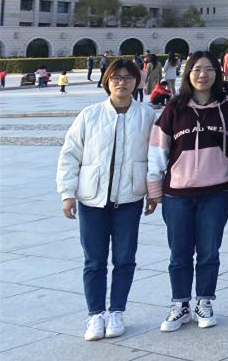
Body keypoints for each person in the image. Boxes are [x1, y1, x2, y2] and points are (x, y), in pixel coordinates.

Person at [57, 59, 157, 341]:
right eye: (116, 77)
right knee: (94, 260)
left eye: (128, 77)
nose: (122, 82)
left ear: (137, 82)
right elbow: (70, 154)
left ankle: (116, 312)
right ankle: (95, 314)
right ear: (107, 82)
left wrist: (153, 190)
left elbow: (155, 156)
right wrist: (67, 194)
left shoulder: (147, 115)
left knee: (125, 258)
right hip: (92, 200)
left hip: (129, 199)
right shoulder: (90, 115)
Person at [147, 51, 228, 332]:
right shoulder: (174, 108)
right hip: (178, 194)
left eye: (209, 69)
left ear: (217, 74)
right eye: (197, 69)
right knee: (179, 253)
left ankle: (204, 301)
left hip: (216, 192)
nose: (202, 74)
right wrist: (154, 188)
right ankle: (180, 304)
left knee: (209, 251)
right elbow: (157, 151)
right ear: (188, 73)